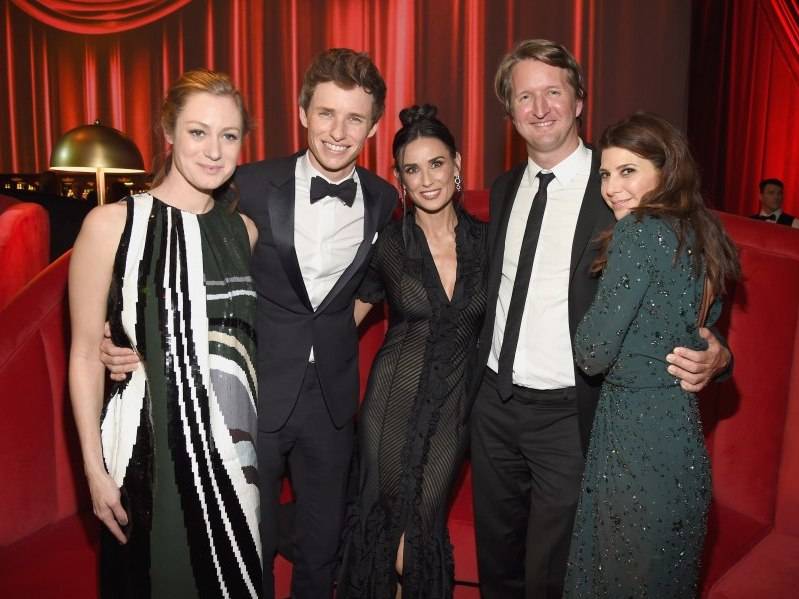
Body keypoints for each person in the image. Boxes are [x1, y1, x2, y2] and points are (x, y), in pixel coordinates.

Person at [101, 49, 397, 598]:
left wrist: (332, 331)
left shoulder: (383, 198)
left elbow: (372, 287)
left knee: (322, 543)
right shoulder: (248, 183)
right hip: (252, 389)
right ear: (303, 113)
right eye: (326, 113)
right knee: (246, 538)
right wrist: (123, 333)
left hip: (333, 399)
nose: (338, 132)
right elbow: (178, 250)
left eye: (355, 118)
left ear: (374, 126)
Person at [467, 39, 732, 599]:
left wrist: (719, 353)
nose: (540, 108)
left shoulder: (623, 187)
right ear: (509, 110)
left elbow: (694, 273)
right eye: (524, 96)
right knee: (497, 563)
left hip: (571, 413)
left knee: (553, 574)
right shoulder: (505, 188)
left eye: (553, 92)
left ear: (580, 101)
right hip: (493, 403)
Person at [69, 69, 261, 597]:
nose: (214, 151)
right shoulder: (110, 225)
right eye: (198, 132)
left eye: (229, 135)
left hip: (235, 459)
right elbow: (84, 354)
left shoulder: (243, 232)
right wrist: (93, 472)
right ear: (169, 131)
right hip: (145, 457)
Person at [563, 111, 740, 596]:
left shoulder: (638, 231)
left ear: (666, 171)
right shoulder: (704, 235)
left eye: (628, 171)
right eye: (605, 174)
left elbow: (593, 352)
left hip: (633, 446)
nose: (612, 188)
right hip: (681, 446)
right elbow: (704, 331)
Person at [337, 104, 487, 599]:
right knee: (387, 537)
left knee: (418, 534)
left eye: (436, 164)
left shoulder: (489, 243)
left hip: (453, 413)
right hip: (391, 406)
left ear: (457, 163)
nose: (426, 179)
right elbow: (340, 321)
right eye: (412, 169)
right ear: (398, 177)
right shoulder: (387, 244)